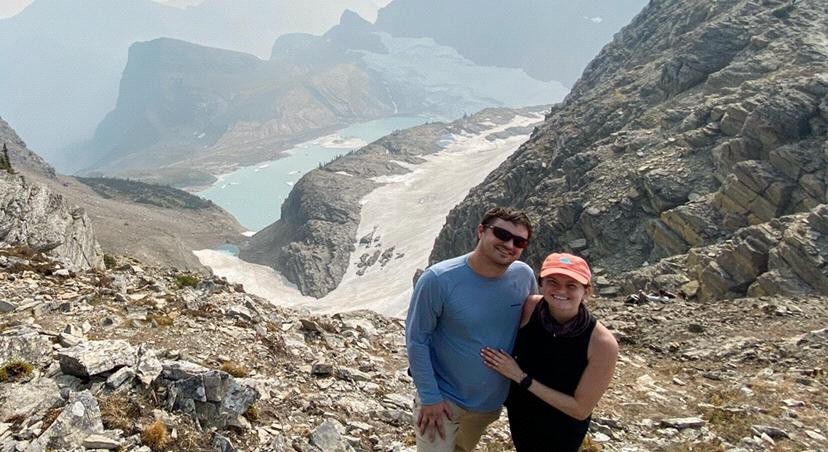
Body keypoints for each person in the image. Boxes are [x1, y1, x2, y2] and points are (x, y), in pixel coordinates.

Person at [406, 207, 537, 451]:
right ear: (481, 231)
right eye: (501, 234)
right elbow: (417, 339)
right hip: (443, 400)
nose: (509, 245)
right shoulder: (438, 279)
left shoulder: (524, 276)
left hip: (488, 405)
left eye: (519, 241)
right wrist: (430, 397)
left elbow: (530, 329)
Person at [481, 253, 619, 452]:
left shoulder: (602, 344)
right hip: (521, 415)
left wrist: (520, 377)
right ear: (541, 284)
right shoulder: (530, 308)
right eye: (552, 282)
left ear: (586, 291)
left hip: (561, 429)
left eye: (571, 285)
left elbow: (580, 409)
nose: (561, 290)